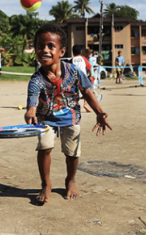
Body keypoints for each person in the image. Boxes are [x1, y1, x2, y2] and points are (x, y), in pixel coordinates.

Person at [25, 24, 112, 204]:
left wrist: (100, 112)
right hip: (45, 119)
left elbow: (87, 92)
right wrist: (30, 112)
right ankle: (46, 184)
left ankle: (70, 180)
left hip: (71, 117)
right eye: (40, 46)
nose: (44, 50)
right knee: (44, 147)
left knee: (72, 152)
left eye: (50, 46)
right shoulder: (36, 79)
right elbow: (32, 103)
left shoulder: (73, 71)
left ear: (62, 51)